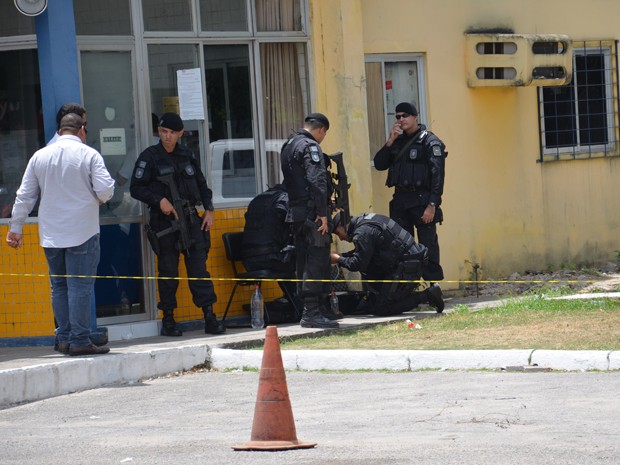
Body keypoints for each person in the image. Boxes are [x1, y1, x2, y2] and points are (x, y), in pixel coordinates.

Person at [6, 113, 115, 356]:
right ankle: (80, 340)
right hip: (83, 232)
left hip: (51, 234)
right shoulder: (89, 154)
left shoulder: (40, 156)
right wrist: (100, 197)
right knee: (80, 287)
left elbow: (25, 196)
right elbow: (106, 189)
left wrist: (15, 228)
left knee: (59, 286)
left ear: (60, 130)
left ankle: (64, 338)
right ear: (82, 130)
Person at [130, 112, 224, 336]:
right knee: (168, 273)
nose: (167, 137)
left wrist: (209, 210)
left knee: (199, 272)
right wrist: (159, 200)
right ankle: (169, 321)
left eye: (172, 133)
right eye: (163, 132)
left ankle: (209, 317)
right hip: (165, 224)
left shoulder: (186, 155)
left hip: (191, 221)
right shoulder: (149, 157)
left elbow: (202, 185)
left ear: (180, 133)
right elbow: (136, 188)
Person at [373, 102, 447, 283]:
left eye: (404, 116)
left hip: (422, 201)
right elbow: (380, 163)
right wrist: (390, 141)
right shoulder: (397, 141)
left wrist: (432, 205)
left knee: (427, 245)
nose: (401, 120)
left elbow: (438, 176)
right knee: (402, 247)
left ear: (415, 117)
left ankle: (433, 287)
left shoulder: (429, 141)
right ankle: (409, 288)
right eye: (397, 116)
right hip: (400, 200)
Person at [280, 112, 339, 328]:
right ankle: (312, 312)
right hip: (312, 213)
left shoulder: (288, 145)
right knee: (316, 258)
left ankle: (317, 308)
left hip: (295, 212)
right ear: (321, 129)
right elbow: (317, 180)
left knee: (303, 258)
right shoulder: (310, 146)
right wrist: (322, 213)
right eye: (324, 134)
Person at [330, 211, 444, 315]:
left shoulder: (362, 232)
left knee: (382, 308)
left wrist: (338, 259)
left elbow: (358, 264)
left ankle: (428, 295)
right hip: (407, 263)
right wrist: (342, 256)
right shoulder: (367, 222)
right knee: (378, 297)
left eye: (338, 233)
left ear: (343, 225)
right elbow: (365, 252)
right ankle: (393, 297)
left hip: (406, 268)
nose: (340, 238)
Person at [241, 184, 301, 313]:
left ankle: (291, 300)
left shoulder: (257, 199)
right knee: (304, 258)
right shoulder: (284, 199)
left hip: (249, 261)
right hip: (270, 259)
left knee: (287, 257)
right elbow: (296, 224)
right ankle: (300, 304)